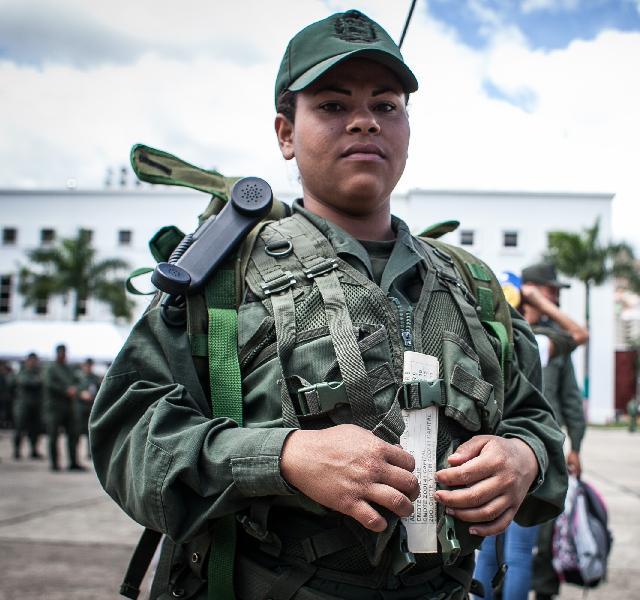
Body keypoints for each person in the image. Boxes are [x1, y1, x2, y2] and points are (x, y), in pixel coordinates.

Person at [91, 10, 567, 600]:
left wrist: (521, 458)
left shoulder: (470, 283)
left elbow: (535, 420)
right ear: (286, 134)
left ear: (408, 129)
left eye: (386, 105)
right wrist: (283, 456)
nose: (364, 121)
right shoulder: (224, 275)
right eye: (333, 106)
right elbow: (127, 437)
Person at [473, 262, 588, 600]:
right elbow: (581, 333)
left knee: (489, 550)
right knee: (520, 553)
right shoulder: (538, 340)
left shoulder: (487, 332)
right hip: (531, 450)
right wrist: (540, 301)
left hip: (491, 446)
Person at [44, 344, 83, 472]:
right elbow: (49, 384)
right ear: (57, 353)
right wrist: (65, 390)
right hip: (54, 407)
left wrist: (75, 389)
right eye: (61, 353)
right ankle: (54, 463)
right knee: (53, 436)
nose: (63, 355)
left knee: (73, 435)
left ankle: (73, 462)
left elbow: (78, 381)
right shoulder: (51, 368)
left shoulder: (69, 368)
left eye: (64, 353)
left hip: (69, 407)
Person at [12, 353, 44, 460]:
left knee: (35, 430)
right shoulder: (22, 371)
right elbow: (25, 382)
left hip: (35, 405)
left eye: (35, 360)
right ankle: (16, 450)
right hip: (23, 405)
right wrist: (37, 381)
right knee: (19, 429)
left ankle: (34, 450)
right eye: (32, 360)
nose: (33, 362)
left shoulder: (38, 372)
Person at [75, 358, 101, 460]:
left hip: (91, 408)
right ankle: (75, 455)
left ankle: (90, 452)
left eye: (90, 365)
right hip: (79, 408)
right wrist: (80, 394)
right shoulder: (78, 377)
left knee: (90, 432)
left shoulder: (95, 378)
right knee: (76, 432)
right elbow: (73, 389)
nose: (88, 367)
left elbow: (100, 391)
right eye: (87, 365)